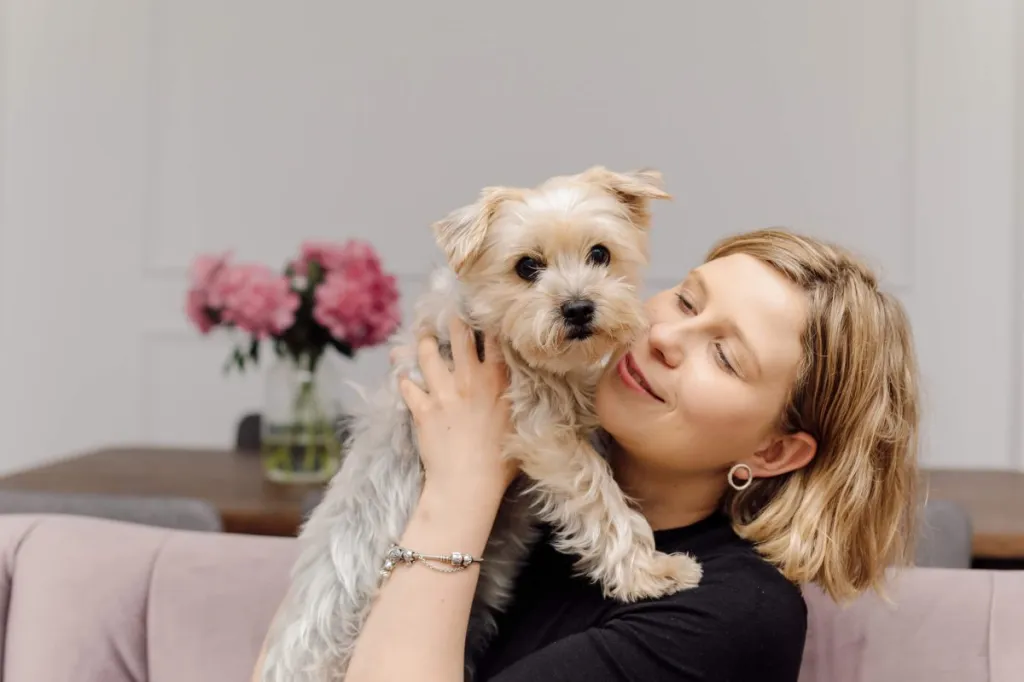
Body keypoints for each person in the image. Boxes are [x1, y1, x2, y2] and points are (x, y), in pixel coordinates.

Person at [253, 228, 920, 682]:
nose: (665, 335)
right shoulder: (542, 478)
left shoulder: (733, 616)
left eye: (724, 354)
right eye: (686, 298)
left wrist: (461, 486)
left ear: (774, 450)